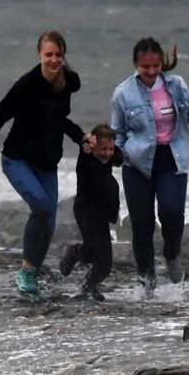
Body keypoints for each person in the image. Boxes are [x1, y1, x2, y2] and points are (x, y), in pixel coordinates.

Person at [0, 30, 93, 301]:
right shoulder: (26, 85)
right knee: (42, 206)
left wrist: (80, 137)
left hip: (47, 163)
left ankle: (31, 276)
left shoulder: (68, 82)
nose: (54, 59)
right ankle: (24, 272)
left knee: (49, 219)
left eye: (58, 54)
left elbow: (61, 119)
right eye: (49, 54)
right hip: (17, 159)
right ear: (39, 54)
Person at [110, 37, 189, 295]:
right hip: (136, 164)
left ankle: (172, 254)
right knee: (142, 224)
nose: (152, 71)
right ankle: (148, 283)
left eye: (156, 65)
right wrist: (113, 155)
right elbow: (118, 133)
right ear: (136, 64)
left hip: (171, 159)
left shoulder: (175, 85)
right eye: (146, 67)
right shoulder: (123, 93)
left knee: (172, 212)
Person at [58, 124, 124, 301]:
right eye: (103, 149)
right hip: (86, 212)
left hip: (103, 215)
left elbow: (118, 157)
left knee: (106, 263)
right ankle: (74, 252)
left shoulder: (109, 157)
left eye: (110, 149)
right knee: (94, 248)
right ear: (93, 146)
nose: (107, 153)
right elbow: (71, 130)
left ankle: (90, 287)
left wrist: (112, 150)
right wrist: (84, 142)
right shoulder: (86, 158)